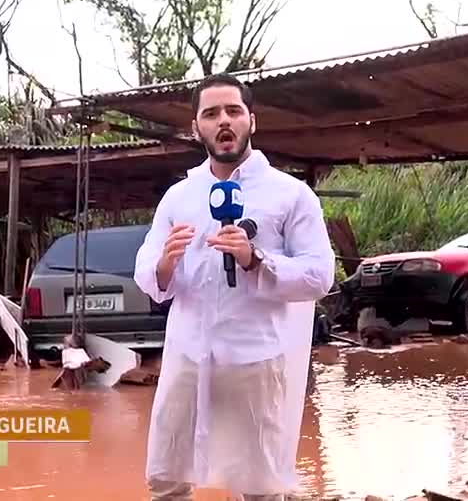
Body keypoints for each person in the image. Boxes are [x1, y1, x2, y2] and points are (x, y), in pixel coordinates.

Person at [134, 72, 336, 500]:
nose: (223, 121)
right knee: (166, 478)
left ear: (251, 120)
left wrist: (255, 259)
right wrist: (165, 264)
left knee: (260, 485)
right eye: (211, 114)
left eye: (233, 111)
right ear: (196, 128)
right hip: (187, 355)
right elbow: (148, 272)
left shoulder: (291, 194)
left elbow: (320, 275)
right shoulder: (178, 197)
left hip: (255, 358)